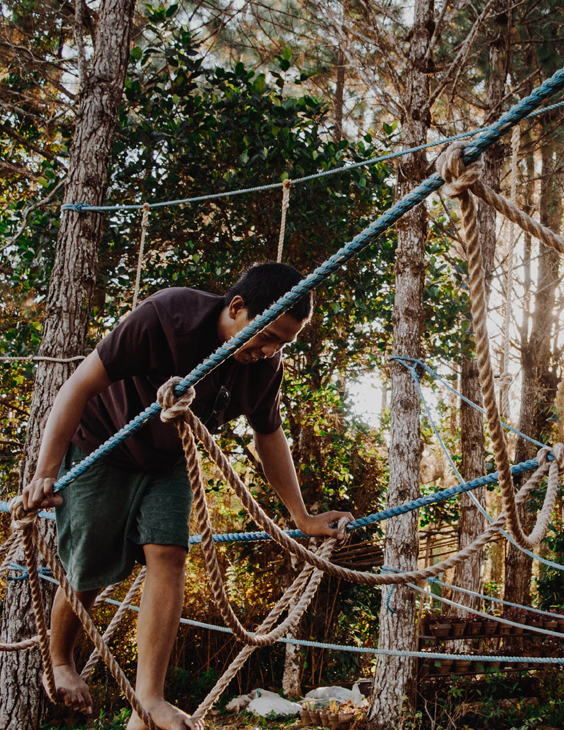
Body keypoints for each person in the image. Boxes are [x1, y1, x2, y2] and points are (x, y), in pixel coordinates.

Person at [20, 263, 352, 730]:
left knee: (170, 555)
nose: (270, 350)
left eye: (283, 342)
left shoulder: (265, 368)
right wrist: (45, 473)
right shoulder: (166, 317)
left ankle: (148, 701)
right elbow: (78, 385)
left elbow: (270, 436)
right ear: (236, 307)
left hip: (167, 460)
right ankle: (59, 661)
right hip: (102, 444)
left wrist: (300, 516)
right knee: (88, 568)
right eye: (267, 334)